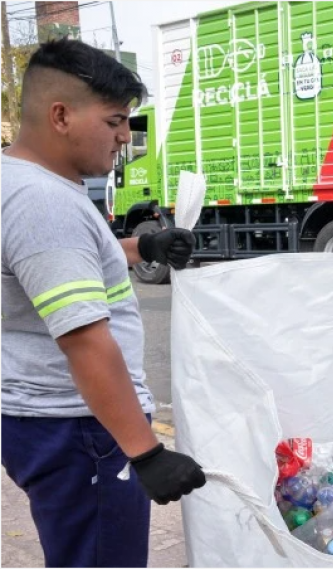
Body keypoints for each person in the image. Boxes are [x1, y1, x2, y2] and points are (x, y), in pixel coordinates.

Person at [1, 38, 205, 567]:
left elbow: (53, 263)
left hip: (53, 422)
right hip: (82, 430)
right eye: (115, 120)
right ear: (61, 115)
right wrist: (147, 451)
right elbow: (86, 342)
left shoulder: (22, 182)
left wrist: (140, 248)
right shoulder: (44, 202)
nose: (124, 136)